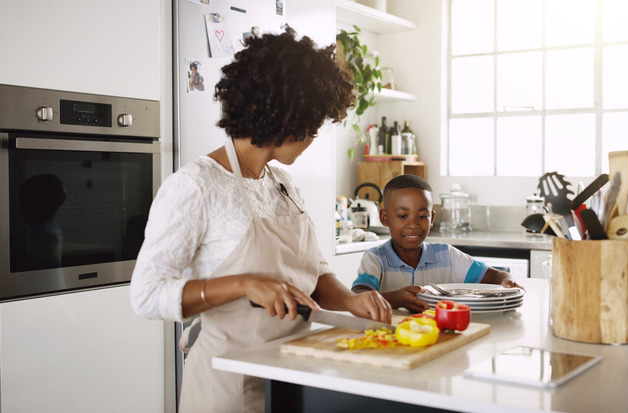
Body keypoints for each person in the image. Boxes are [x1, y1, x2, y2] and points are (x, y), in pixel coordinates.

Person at [130, 26, 392, 413]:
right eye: (314, 126)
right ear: (287, 120)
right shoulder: (196, 186)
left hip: (291, 378)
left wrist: (350, 301)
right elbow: (147, 296)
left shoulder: (281, 183)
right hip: (227, 387)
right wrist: (243, 284)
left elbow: (315, 275)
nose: (314, 136)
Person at [351, 175, 520, 313]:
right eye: (403, 216)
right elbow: (357, 296)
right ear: (384, 218)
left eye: (422, 216)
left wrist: (507, 281)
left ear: (431, 219)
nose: (414, 224)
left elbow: (495, 276)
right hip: (389, 338)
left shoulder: (447, 255)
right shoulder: (375, 258)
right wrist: (395, 298)